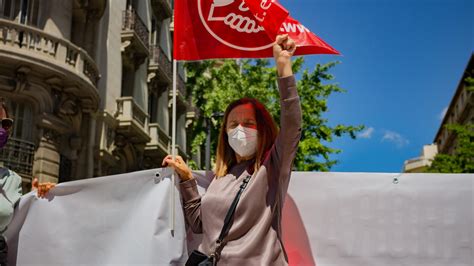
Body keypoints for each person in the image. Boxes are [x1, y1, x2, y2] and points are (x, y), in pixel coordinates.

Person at [162, 34, 301, 265]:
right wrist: (187, 179)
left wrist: (284, 67)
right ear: (225, 133)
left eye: (248, 123)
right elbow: (200, 225)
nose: (240, 130)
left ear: (263, 129)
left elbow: (293, 125)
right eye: (233, 124)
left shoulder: (271, 167)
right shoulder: (221, 177)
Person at [0, 100, 55, 266]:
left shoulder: (12, 180)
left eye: (5, 124)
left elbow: (19, 226)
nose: (1, 128)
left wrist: (37, 198)